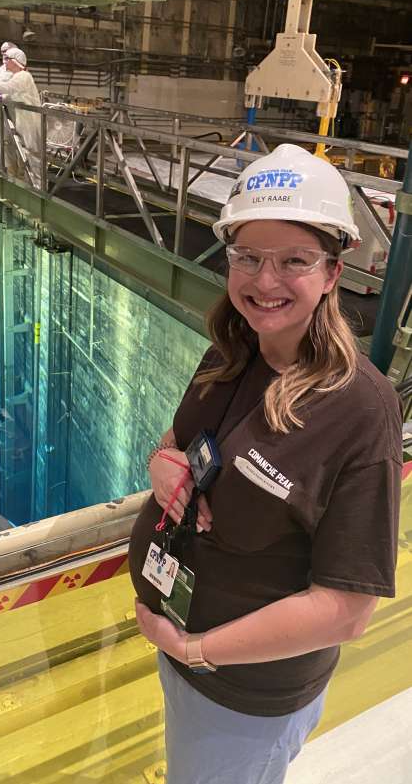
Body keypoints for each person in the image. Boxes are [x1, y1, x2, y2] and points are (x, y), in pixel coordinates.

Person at [128, 143, 403, 784]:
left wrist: (195, 649)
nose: (264, 281)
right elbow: (174, 442)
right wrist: (161, 467)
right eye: (247, 257)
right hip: (183, 644)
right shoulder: (234, 348)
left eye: (294, 261)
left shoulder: (359, 410)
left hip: (242, 691)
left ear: (334, 272)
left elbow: (346, 610)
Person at [0, 47, 41, 185]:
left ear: (15, 61)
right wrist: (0, 97)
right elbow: (12, 94)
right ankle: (23, 182)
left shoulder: (24, 76)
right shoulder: (18, 76)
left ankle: (37, 188)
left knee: (31, 153)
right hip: (21, 119)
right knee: (22, 151)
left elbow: (9, 88)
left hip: (29, 121)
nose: (5, 62)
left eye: (7, 59)